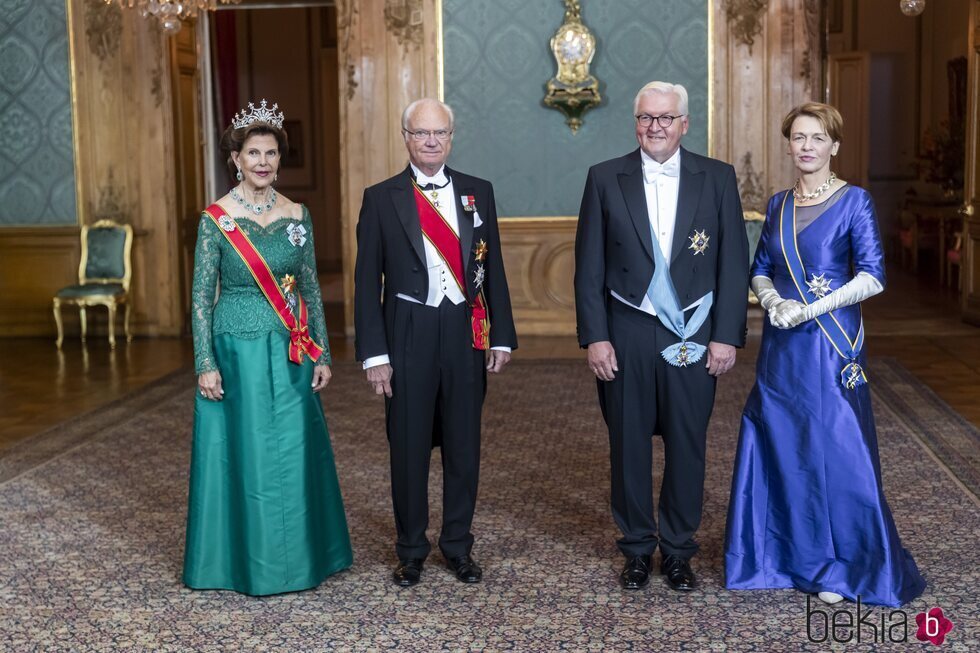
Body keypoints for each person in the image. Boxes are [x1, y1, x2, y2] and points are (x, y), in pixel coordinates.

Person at [724, 102, 926, 607]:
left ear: (835, 145)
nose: (807, 146)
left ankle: (842, 565)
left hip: (830, 342)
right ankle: (784, 557)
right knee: (782, 443)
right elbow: (762, 266)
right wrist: (771, 301)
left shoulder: (855, 202)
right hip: (782, 345)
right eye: (798, 137)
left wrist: (811, 308)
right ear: (789, 144)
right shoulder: (777, 204)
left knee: (835, 448)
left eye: (817, 137)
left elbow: (873, 275)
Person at [574, 81, 749, 591]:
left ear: (684, 124)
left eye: (666, 118)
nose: (656, 127)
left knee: (687, 443)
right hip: (626, 330)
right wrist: (595, 337)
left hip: (694, 332)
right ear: (636, 122)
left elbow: (733, 264)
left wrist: (726, 336)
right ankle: (635, 548)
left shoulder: (717, 178)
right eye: (647, 118)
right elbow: (588, 268)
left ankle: (677, 550)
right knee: (628, 444)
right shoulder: (605, 177)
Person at [183, 100, 352, 595]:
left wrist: (322, 351)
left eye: (271, 153)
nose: (263, 162)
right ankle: (245, 563)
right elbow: (199, 296)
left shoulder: (297, 215)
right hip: (236, 349)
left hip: (291, 348)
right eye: (253, 153)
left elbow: (312, 287)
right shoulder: (216, 219)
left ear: (280, 159)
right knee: (248, 454)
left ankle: (303, 560)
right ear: (235, 158)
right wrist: (205, 362)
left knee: (295, 451)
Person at [354, 98, 517, 587]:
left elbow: (494, 271)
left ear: (451, 137)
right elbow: (366, 282)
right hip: (408, 331)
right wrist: (375, 355)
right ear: (405, 137)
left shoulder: (477, 191)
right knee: (408, 447)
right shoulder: (381, 197)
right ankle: (410, 550)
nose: (431, 141)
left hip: (465, 332)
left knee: (464, 447)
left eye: (439, 133)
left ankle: (458, 546)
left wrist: (501, 335)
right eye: (421, 133)